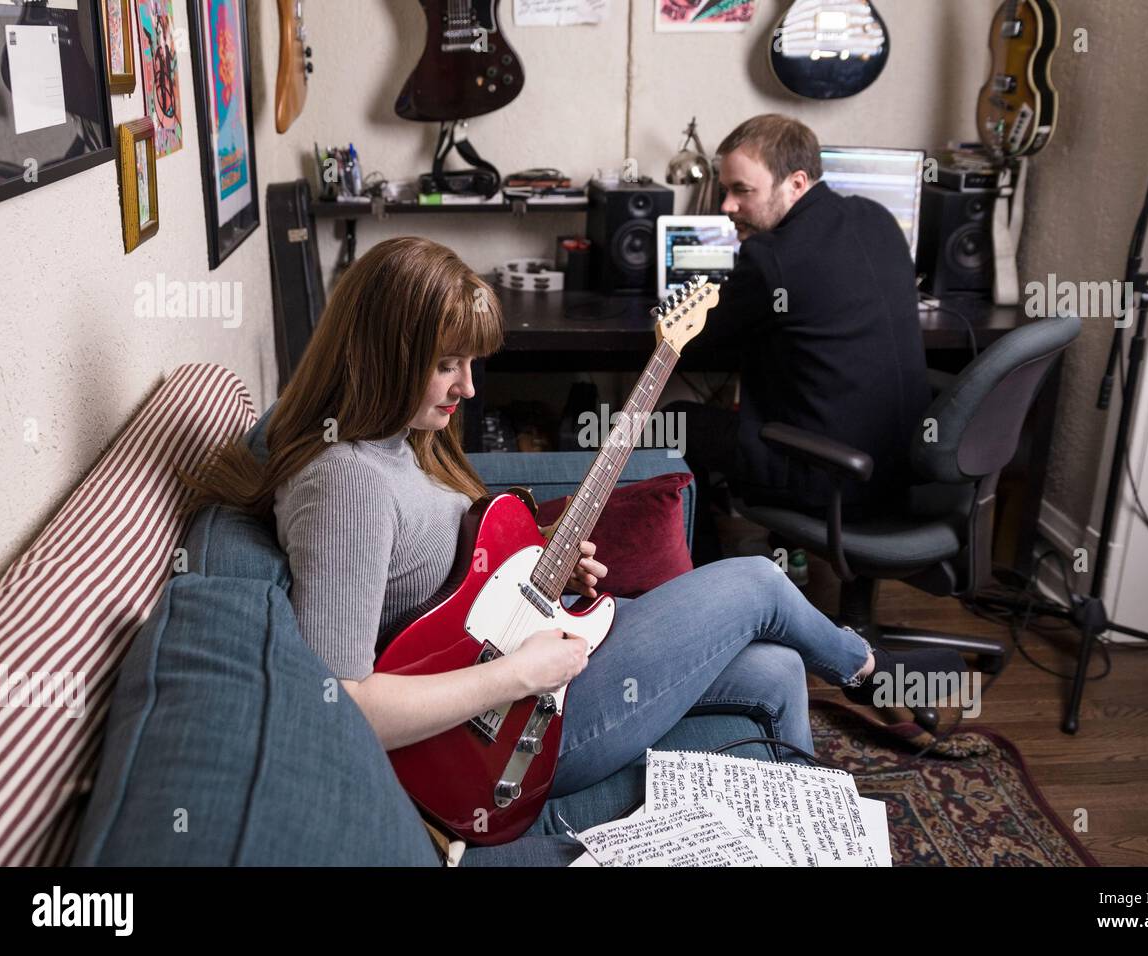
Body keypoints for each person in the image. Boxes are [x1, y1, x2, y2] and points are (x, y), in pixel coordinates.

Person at [176, 236, 964, 863]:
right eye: (446, 364)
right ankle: (869, 669)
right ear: (378, 353)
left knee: (777, 667)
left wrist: (538, 556)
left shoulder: (397, 441)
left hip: (522, 666)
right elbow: (344, 705)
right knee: (759, 580)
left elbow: (444, 577)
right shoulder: (345, 479)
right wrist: (522, 671)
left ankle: (794, 843)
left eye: (472, 364)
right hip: (507, 722)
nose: (469, 390)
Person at [663, 114, 932, 566]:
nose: (727, 206)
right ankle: (783, 556)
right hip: (903, 470)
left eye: (742, 191)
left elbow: (692, 344)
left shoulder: (771, 258)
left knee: (673, 423)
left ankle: (703, 577)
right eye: (726, 190)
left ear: (797, 183)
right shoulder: (878, 219)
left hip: (830, 477)